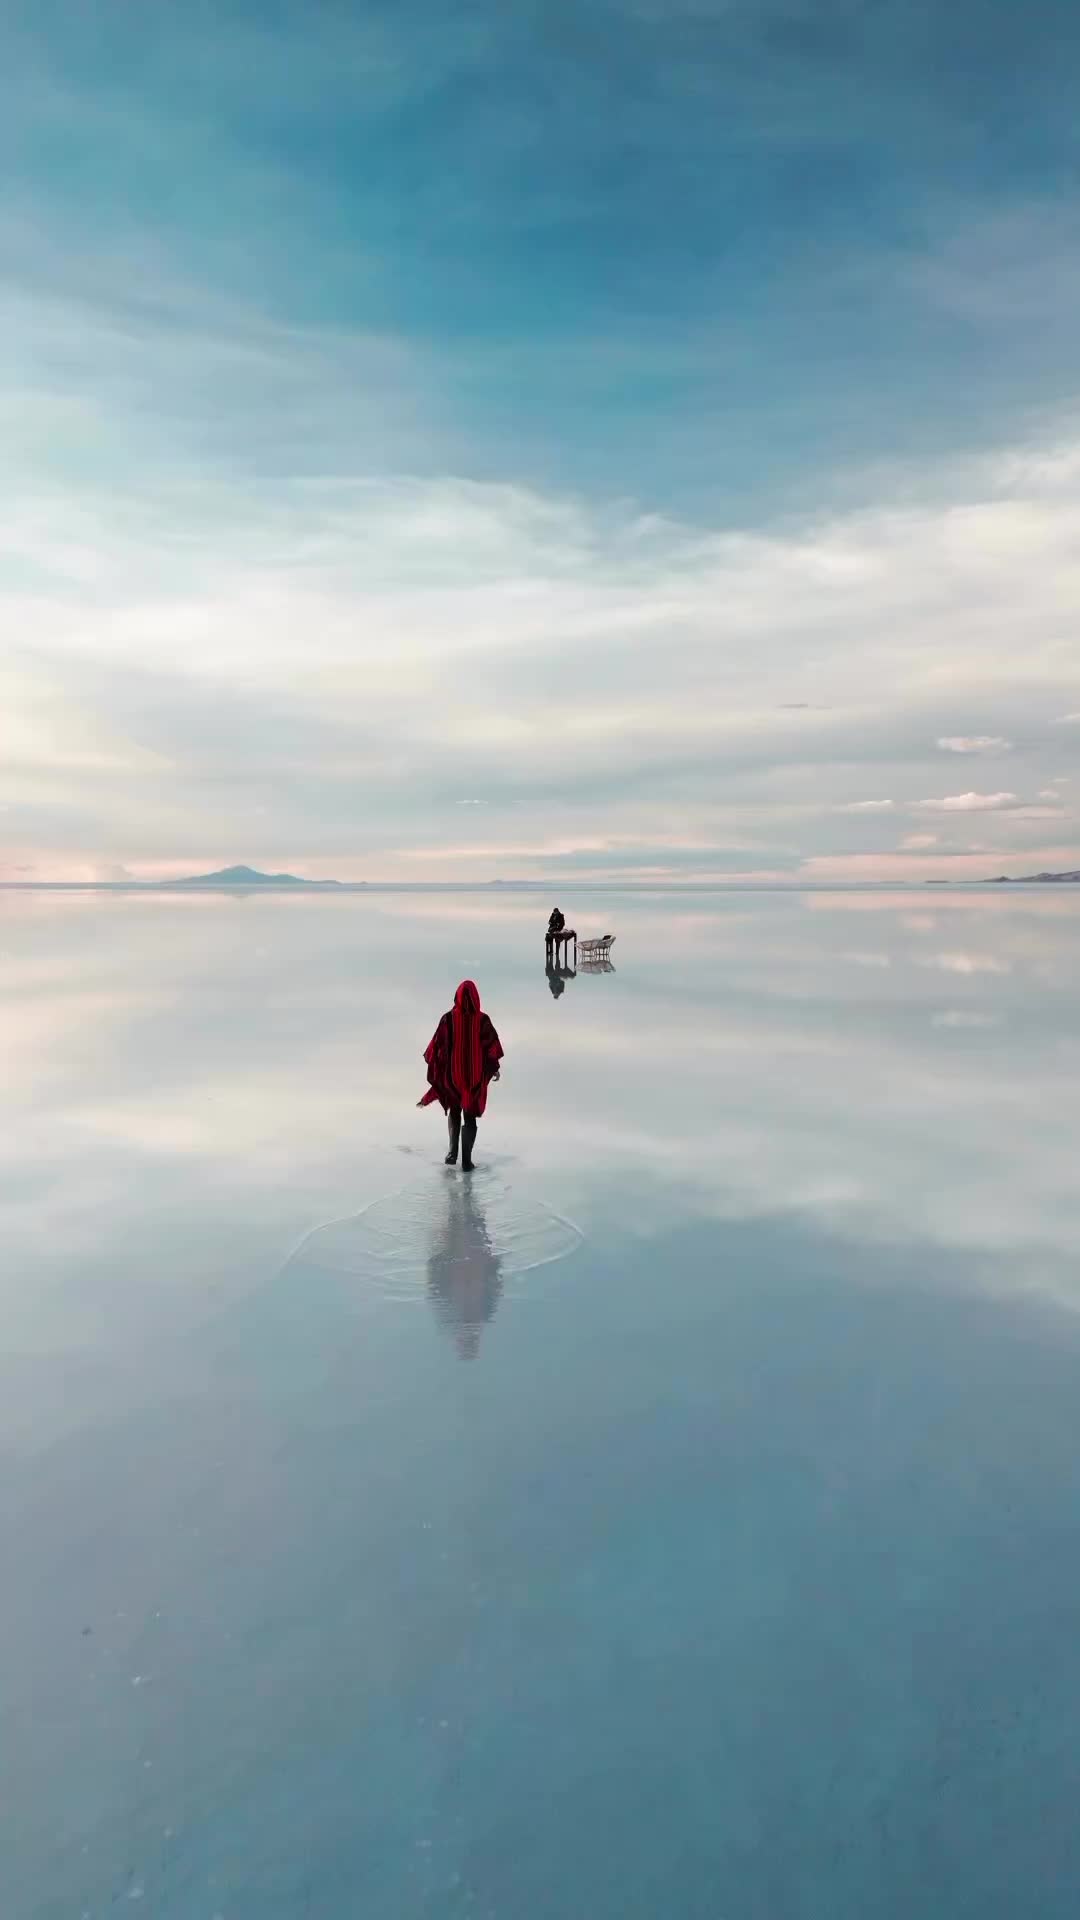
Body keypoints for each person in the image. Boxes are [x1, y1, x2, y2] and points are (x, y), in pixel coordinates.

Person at [418, 979, 503, 1170]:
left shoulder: (448, 1019)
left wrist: (434, 1062)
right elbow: (491, 1047)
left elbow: (437, 1045)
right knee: (469, 1115)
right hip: (473, 1077)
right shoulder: (482, 1020)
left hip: (453, 1076)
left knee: (455, 1111)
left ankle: (451, 1153)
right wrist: (493, 1067)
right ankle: (466, 1161)